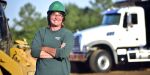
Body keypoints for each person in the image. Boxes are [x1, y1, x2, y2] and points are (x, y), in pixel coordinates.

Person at [31, 1, 74, 75]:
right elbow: (34, 52)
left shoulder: (67, 34)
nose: (56, 17)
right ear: (49, 16)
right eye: (53, 14)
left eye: (59, 15)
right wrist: (57, 52)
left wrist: (43, 48)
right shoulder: (41, 32)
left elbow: (64, 53)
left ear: (63, 18)